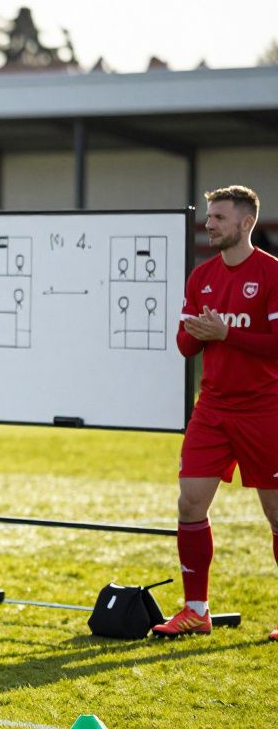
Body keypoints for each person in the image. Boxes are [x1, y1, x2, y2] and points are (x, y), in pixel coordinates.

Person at [153, 185, 278, 642]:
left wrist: (227, 333)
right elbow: (185, 346)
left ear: (245, 223)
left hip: (267, 410)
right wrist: (201, 332)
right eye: (209, 216)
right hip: (213, 409)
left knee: (277, 514)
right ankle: (196, 610)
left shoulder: (271, 274)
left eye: (219, 218)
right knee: (189, 502)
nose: (209, 224)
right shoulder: (201, 276)